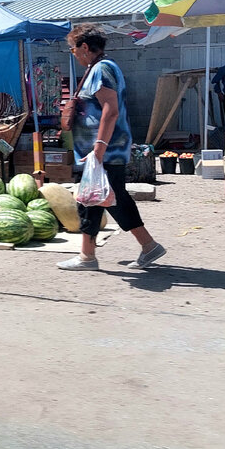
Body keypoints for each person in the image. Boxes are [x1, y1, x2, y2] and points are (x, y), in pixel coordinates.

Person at [57, 23, 166, 272]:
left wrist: (99, 146)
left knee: (105, 199)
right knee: (96, 199)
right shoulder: (98, 68)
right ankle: (91, 255)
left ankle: (143, 246)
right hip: (101, 151)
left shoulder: (103, 69)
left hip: (105, 150)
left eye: (73, 49)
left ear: (85, 47)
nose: (73, 53)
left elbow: (111, 109)